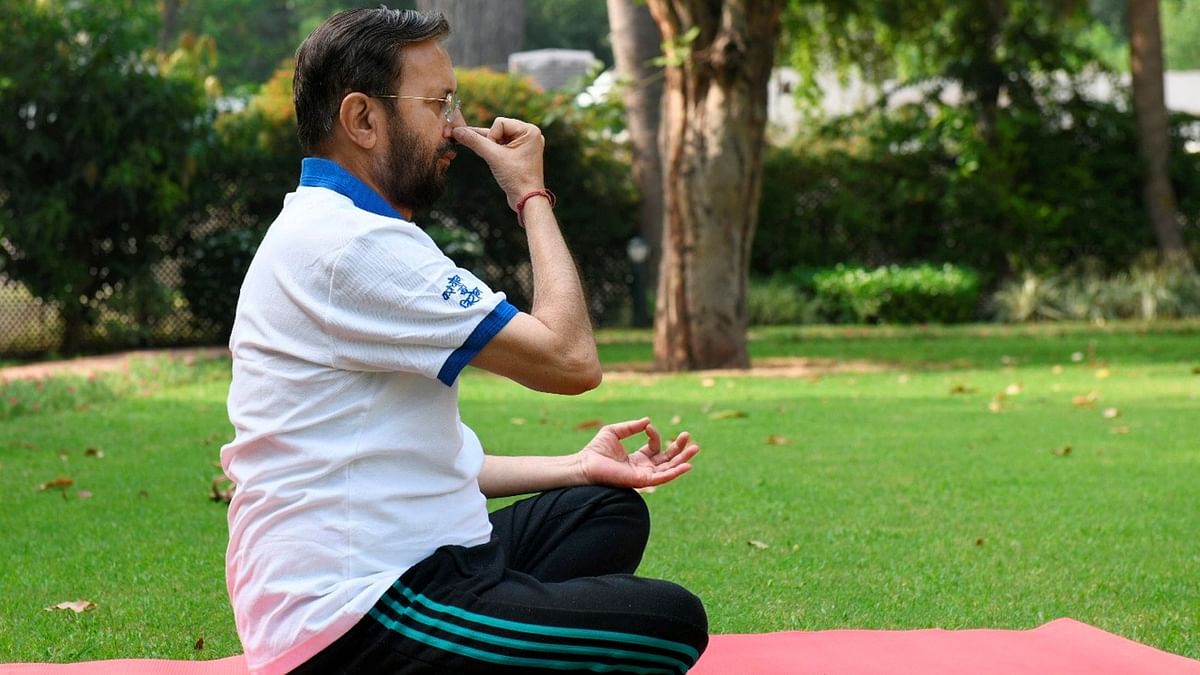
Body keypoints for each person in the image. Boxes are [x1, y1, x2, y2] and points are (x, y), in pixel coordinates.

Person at [220, 7, 708, 674]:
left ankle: (494, 631)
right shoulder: (351, 248)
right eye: (436, 103)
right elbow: (571, 360)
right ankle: (484, 633)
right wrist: (530, 193)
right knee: (669, 624)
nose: (454, 125)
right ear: (362, 120)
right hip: (352, 617)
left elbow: (431, 464)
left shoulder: (336, 228)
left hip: (423, 561)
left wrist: (575, 465)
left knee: (603, 509)